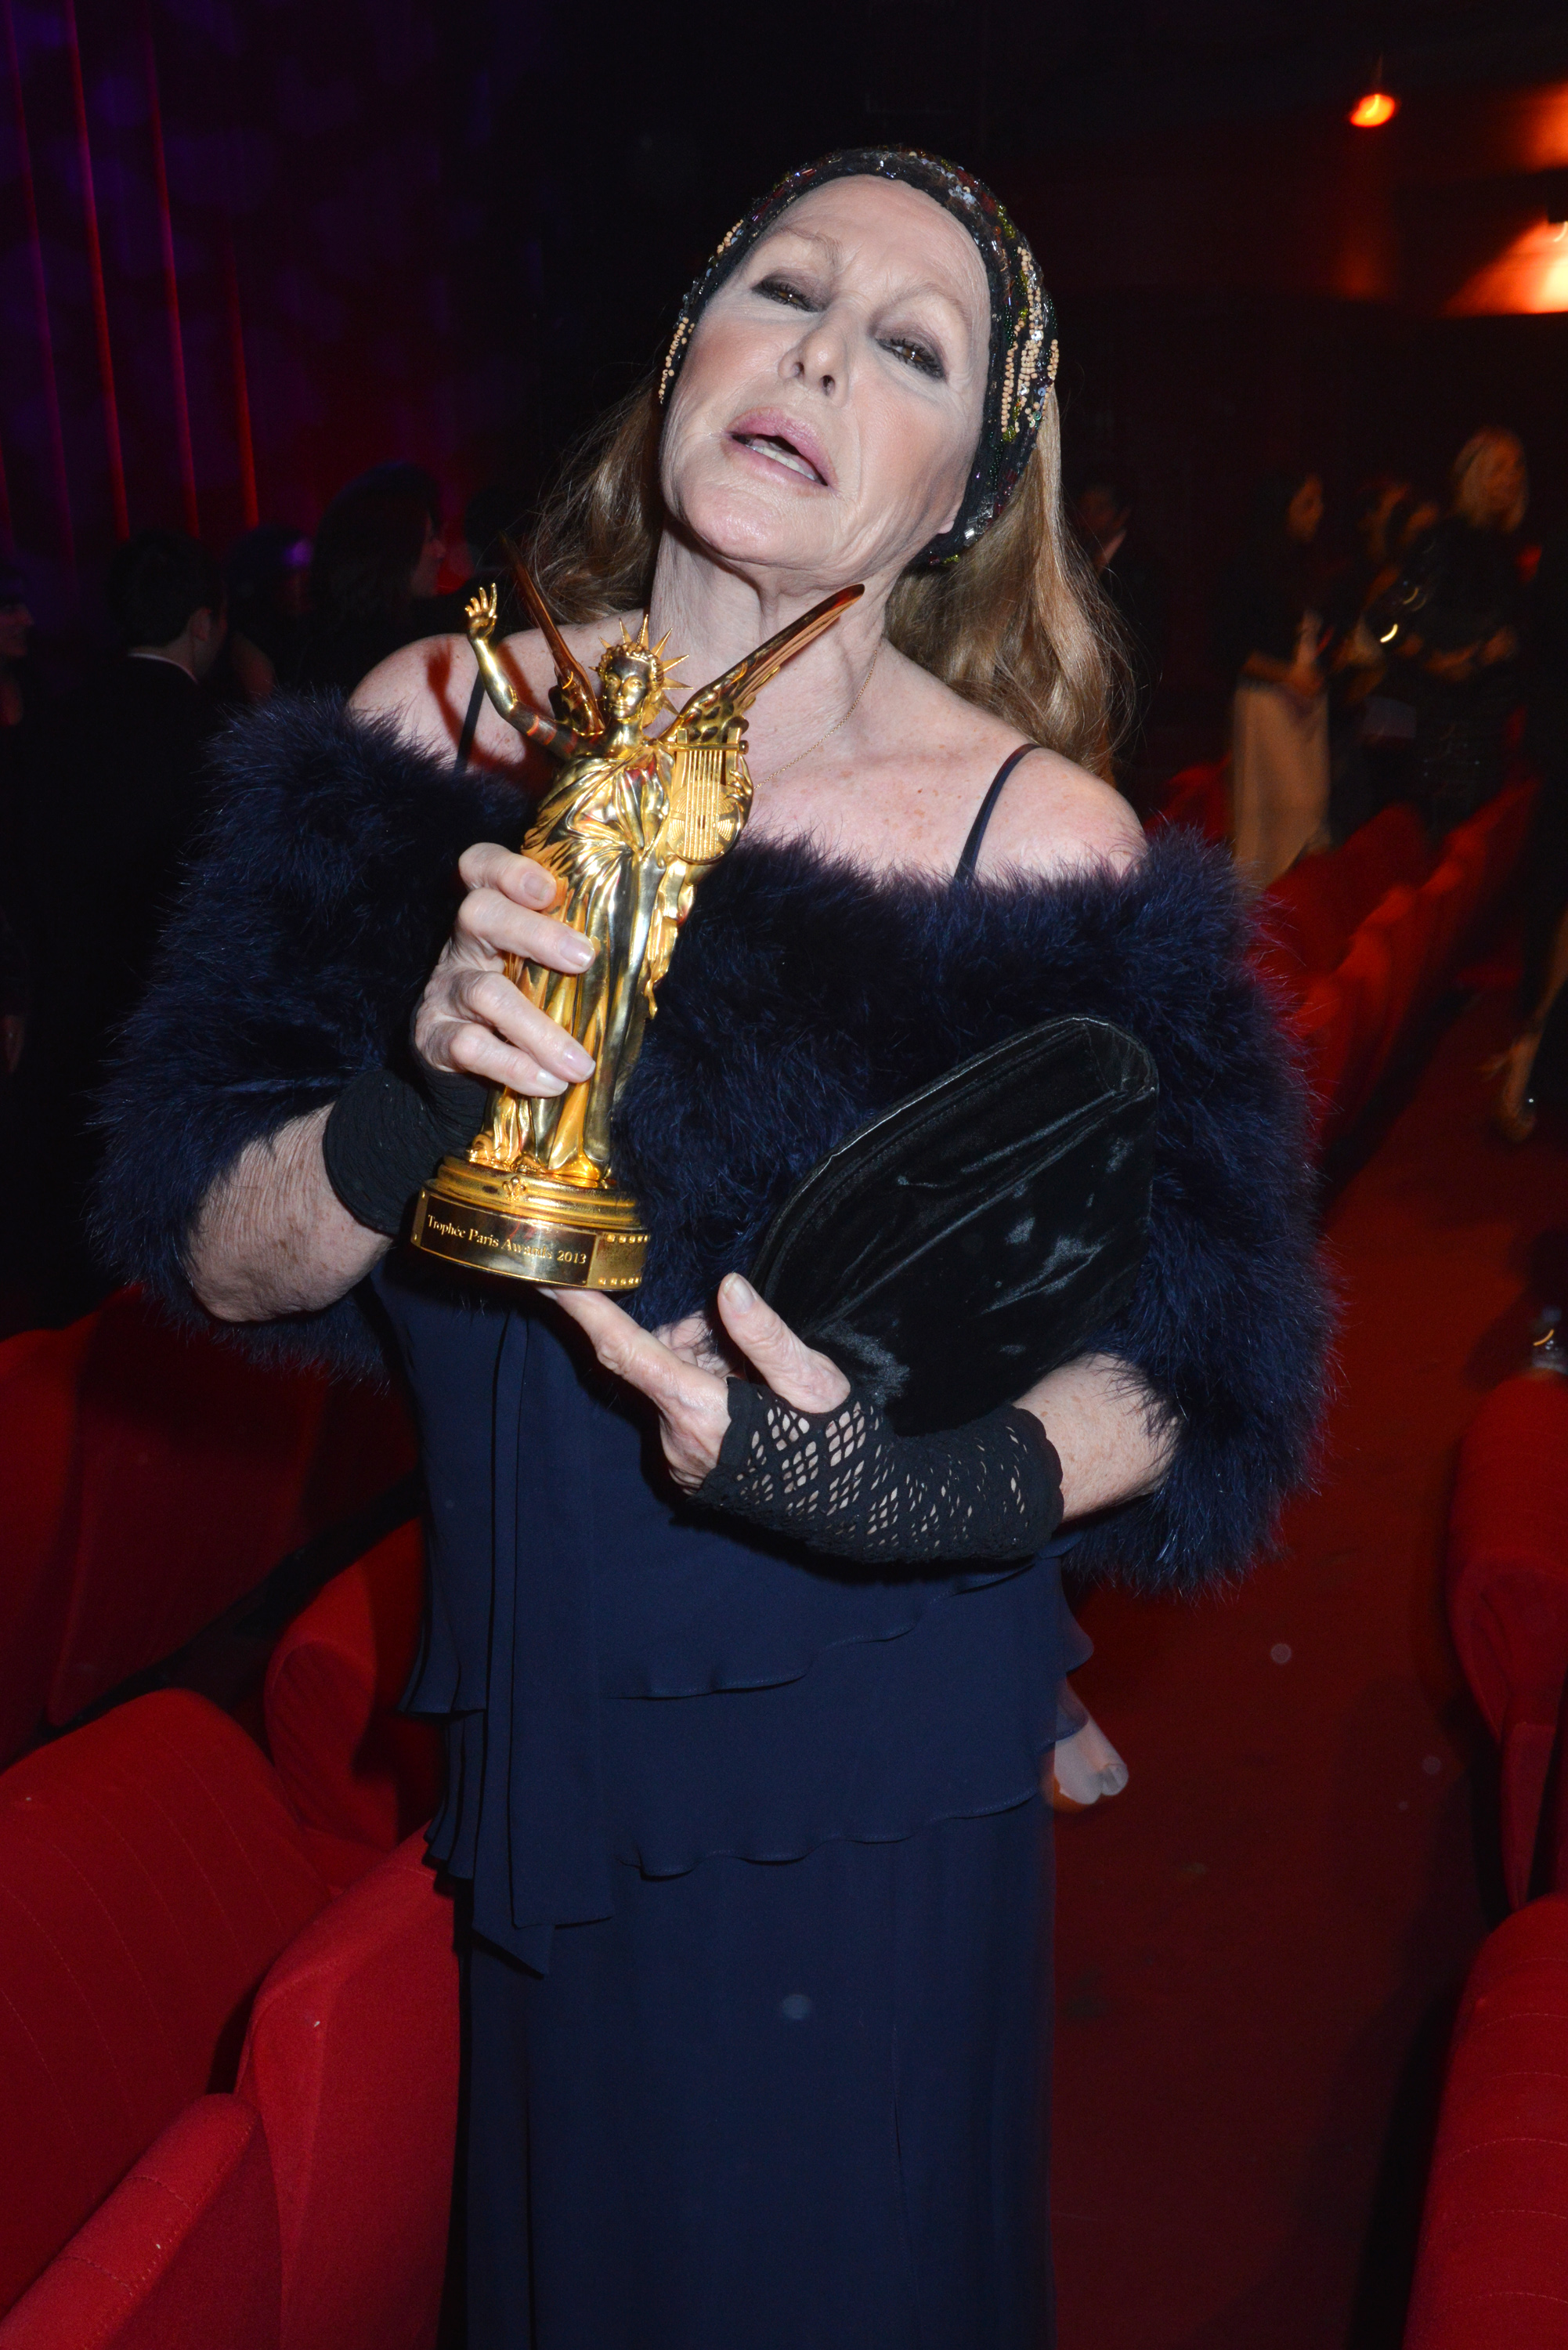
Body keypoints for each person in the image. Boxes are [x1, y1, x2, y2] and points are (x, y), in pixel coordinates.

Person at [96, 150, 1327, 2348]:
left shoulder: (1027, 843)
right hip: (531, 1749)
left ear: (967, 492)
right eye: (783, 289)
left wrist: (898, 1489)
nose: (824, 351)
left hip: (860, 1762)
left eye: (912, 344)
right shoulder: (426, 737)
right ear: (689, 353)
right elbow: (211, 1253)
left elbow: (1199, 1364)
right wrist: (409, 1103)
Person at [16, 528, 226, 1319]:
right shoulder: (221, 742)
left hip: (64, 1023)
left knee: (67, 1289)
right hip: (170, 1049)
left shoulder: (44, 732)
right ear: (204, 624)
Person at [1390, 428, 1527, 839]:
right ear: (1473, 477)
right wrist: (1438, 662)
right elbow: (1387, 622)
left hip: (1490, 720)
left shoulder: (1503, 546)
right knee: (1448, 843)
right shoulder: (1441, 541)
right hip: (1449, 727)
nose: (1512, 478)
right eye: (1498, 469)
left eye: (1517, 467)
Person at [1214, 469, 1331, 889]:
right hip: (1265, 702)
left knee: (1309, 808)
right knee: (1279, 813)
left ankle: (1296, 919)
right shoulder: (1246, 569)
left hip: (1305, 702)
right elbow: (1229, 648)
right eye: (1307, 504)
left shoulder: (1305, 564)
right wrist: (1286, 674)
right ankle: (1261, 924)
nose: (1318, 513)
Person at [294, 461, 450, 694]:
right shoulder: (408, 647)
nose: (441, 552)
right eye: (428, 539)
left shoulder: (318, 648)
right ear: (391, 556)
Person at [1073, 472, 1166, 790]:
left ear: (1121, 514)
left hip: (1124, 697)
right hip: (1087, 695)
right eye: (1084, 509)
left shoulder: (1140, 567)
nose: (1088, 518)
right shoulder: (1080, 560)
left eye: (1099, 509)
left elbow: (1143, 641)